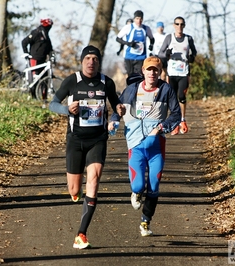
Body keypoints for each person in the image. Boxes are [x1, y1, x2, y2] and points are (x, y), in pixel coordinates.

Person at [49, 45, 125, 249]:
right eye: (88, 58)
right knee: (74, 189)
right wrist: (67, 109)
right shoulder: (72, 81)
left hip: (97, 140)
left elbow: (116, 105)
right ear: (82, 61)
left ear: (99, 62)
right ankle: (76, 192)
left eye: (95, 59)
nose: (91, 62)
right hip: (75, 140)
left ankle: (81, 234)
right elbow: (52, 104)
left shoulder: (106, 82)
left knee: (94, 179)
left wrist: (118, 111)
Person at [109, 56, 181, 237]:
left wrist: (162, 127)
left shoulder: (166, 90)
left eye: (156, 70)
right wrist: (113, 120)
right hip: (136, 145)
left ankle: (145, 222)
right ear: (143, 71)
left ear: (160, 72)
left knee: (154, 186)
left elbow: (176, 114)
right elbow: (118, 108)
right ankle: (136, 193)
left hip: (157, 147)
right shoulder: (132, 90)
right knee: (138, 185)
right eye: (149, 69)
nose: (152, 73)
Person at [158, 16, 197, 135]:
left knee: (182, 96)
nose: (179, 26)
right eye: (177, 24)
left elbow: (194, 52)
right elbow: (160, 53)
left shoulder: (188, 38)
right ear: (174, 25)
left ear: (184, 26)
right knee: (173, 98)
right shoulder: (169, 37)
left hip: (184, 72)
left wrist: (192, 58)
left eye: (181, 24)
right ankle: (174, 122)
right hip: (172, 73)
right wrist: (167, 54)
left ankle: (183, 120)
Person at [116, 10, 155, 76]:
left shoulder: (146, 28)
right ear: (134, 19)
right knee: (130, 77)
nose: (139, 21)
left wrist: (151, 45)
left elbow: (152, 39)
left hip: (141, 57)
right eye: (137, 18)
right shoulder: (128, 27)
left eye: (141, 19)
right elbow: (118, 38)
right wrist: (128, 43)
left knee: (140, 76)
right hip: (129, 56)